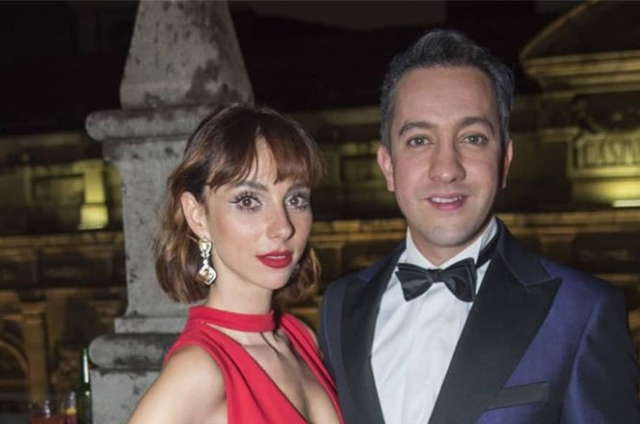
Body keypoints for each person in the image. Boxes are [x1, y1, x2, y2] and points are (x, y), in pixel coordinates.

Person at [319, 29, 640, 424]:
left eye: (472, 138)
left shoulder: (583, 311)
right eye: (419, 140)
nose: (446, 169)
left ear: (504, 161)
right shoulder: (339, 304)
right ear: (387, 165)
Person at [127, 104, 343, 424]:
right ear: (197, 216)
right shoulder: (199, 369)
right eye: (248, 201)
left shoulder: (299, 337)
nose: (283, 227)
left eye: (296, 199)